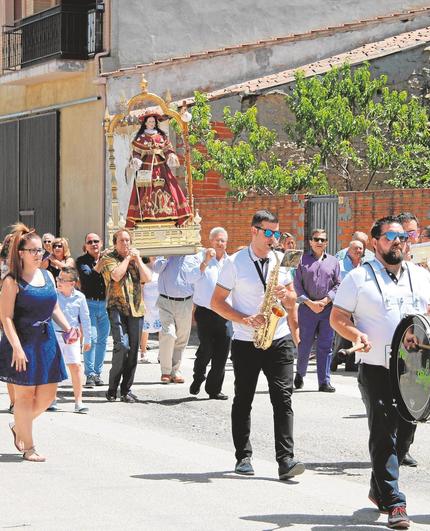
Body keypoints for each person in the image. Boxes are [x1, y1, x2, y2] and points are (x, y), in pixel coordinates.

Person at [330, 215, 430, 530]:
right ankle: (395, 504)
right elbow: (338, 316)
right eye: (389, 236)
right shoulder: (358, 278)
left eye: (401, 236)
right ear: (375, 242)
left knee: (405, 438)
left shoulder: (421, 275)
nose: (397, 241)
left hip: (414, 372)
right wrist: (355, 335)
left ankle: (379, 488)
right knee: (383, 435)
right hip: (377, 368)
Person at [211, 209, 304, 480]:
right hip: (246, 339)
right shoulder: (234, 262)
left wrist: (286, 294)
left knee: (283, 398)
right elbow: (216, 302)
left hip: (279, 336)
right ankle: (243, 456)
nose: (274, 238)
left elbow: (292, 297)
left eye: (277, 233)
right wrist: (244, 319)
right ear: (254, 231)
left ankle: (286, 459)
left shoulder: (281, 259)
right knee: (243, 399)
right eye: (269, 233)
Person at [0, 223, 79, 461]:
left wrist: (67, 327)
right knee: (24, 397)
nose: (39, 254)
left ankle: (19, 426)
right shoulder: (11, 281)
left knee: (46, 397)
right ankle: (29, 447)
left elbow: (53, 306)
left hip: (46, 343)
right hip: (22, 344)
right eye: (33, 250)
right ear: (21, 253)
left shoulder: (46, 276)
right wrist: (16, 347)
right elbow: (5, 317)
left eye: (39, 251)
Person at [97, 229, 151, 403]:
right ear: (115, 243)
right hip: (117, 308)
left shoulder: (136, 259)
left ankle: (126, 390)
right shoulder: (108, 258)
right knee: (123, 346)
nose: (126, 244)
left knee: (134, 351)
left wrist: (138, 261)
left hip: (136, 309)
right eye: (122, 241)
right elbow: (116, 275)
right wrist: (128, 259)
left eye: (128, 240)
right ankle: (112, 388)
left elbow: (147, 278)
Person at [125, 112, 192, 228]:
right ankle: (144, 216)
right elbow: (136, 152)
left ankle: (170, 214)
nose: (152, 123)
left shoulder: (162, 137)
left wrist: (171, 155)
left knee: (169, 188)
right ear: (145, 123)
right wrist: (135, 160)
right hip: (145, 169)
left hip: (161, 168)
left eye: (153, 121)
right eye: (149, 121)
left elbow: (168, 150)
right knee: (144, 191)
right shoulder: (140, 138)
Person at [294, 228, 340, 392]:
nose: (319, 242)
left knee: (326, 346)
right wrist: (310, 303)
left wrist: (326, 299)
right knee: (305, 345)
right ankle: (300, 373)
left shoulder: (334, 261)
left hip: (327, 310)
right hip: (307, 309)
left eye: (322, 240)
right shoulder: (301, 260)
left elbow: (338, 284)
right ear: (310, 242)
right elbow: (297, 286)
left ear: (326, 242)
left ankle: (324, 382)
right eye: (316, 239)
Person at [189, 227, 231, 400]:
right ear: (210, 240)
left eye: (223, 240)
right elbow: (191, 278)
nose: (220, 243)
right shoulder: (200, 257)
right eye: (217, 240)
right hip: (205, 312)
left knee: (222, 352)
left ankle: (214, 389)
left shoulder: (231, 262)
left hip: (225, 313)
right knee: (206, 349)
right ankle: (198, 376)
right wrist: (205, 261)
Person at [153, 255, 195, 383]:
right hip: (166, 301)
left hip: (186, 302)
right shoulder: (165, 254)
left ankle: (175, 371)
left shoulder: (193, 257)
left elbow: (198, 277)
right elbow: (157, 268)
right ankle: (165, 371)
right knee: (168, 334)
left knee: (182, 338)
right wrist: (166, 256)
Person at [55, 267, 91, 414]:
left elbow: (85, 318)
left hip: (72, 336)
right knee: (54, 367)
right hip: (54, 335)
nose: (59, 281)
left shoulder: (80, 297)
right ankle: (51, 399)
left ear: (72, 283)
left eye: (62, 279)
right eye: (58, 278)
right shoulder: (53, 295)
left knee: (76, 366)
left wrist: (87, 338)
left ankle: (78, 401)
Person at [76, 233, 110, 387]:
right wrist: (101, 263)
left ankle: (97, 373)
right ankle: (89, 374)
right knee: (91, 339)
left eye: (96, 241)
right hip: (89, 304)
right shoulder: (81, 261)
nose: (94, 244)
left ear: (101, 243)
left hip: (105, 304)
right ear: (86, 245)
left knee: (103, 341)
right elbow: (87, 278)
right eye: (90, 242)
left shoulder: (108, 259)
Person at [139, 256, 161, 363]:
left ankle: (161, 354)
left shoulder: (161, 267)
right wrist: (142, 302)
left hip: (159, 301)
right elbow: (141, 287)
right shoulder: (144, 268)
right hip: (147, 301)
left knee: (161, 328)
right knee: (145, 328)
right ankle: (143, 352)